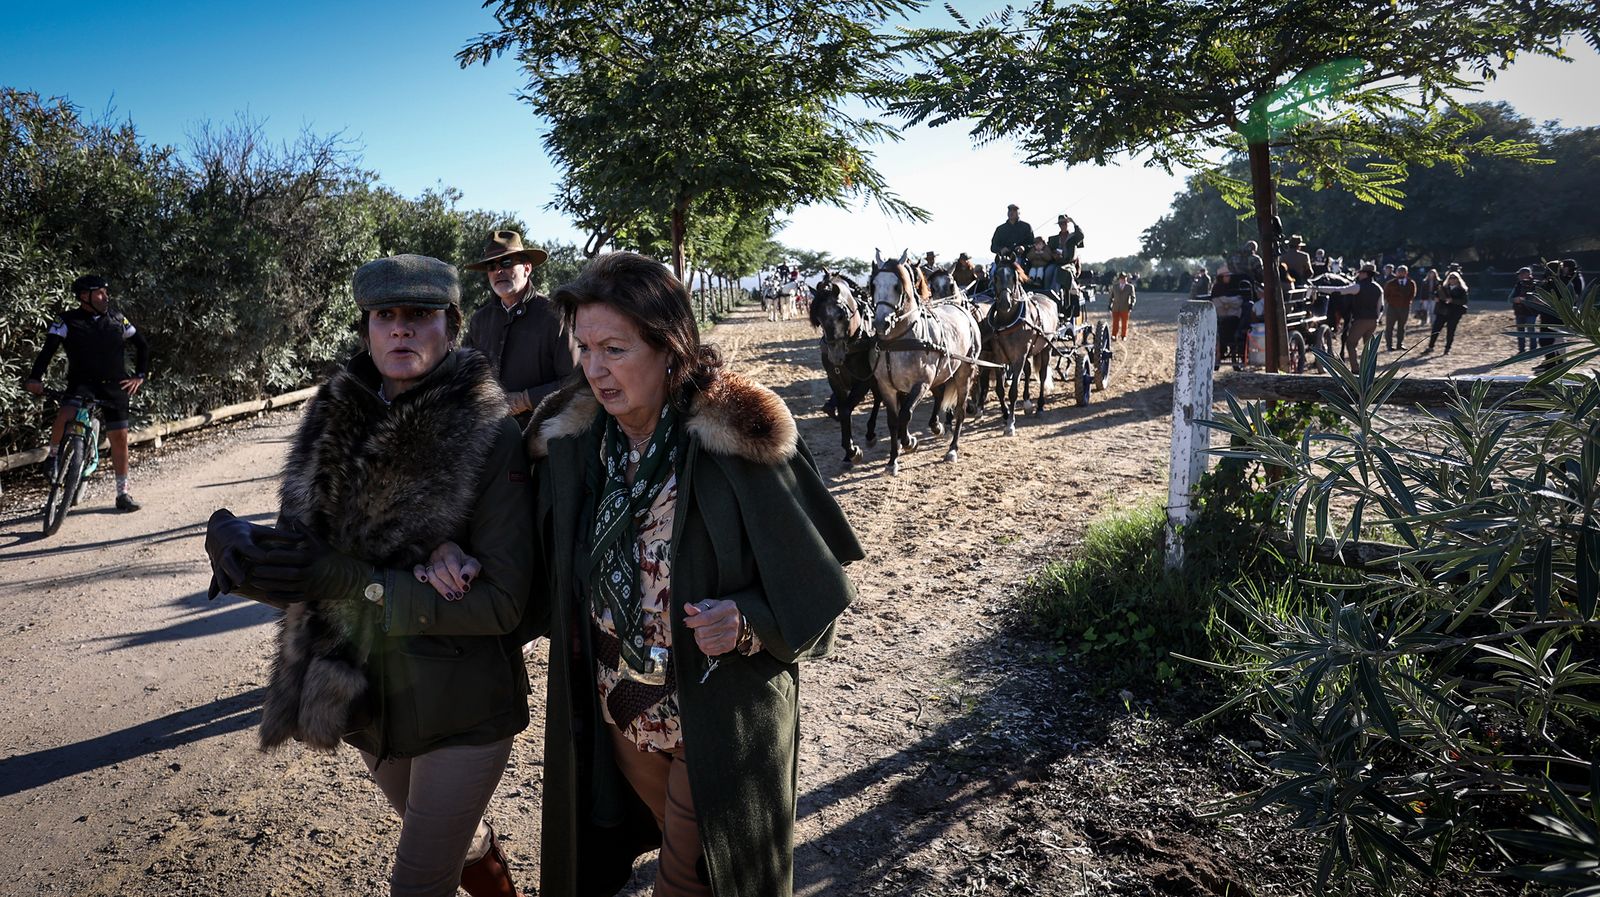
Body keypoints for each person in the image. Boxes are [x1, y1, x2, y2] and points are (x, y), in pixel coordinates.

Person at [521, 250, 862, 897]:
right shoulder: (579, 447)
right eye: (585, 347)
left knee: (685, 883)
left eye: (615, 348)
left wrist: (747, 621)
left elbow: (818, 589)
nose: (595, 368)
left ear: (669, 347)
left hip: (713, 721)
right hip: (620, 721)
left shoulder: (735, 440)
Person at [203, 254, 538, 897]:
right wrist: (243, 558)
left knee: (417, 880)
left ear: (452, 326)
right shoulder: (332, 418)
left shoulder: (489, 434)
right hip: (361, 697)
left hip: (460, 704)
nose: (401, 330)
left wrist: (359, 581)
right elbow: (310, 560)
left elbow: (501, 604)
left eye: (420, 315)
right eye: (386, 315)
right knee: (452, 838)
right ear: (366, 328)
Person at [24, 274, 151, 511]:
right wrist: (35, 378)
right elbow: (47, 351)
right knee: (66, 413)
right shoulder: (66, 321)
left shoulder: (117, 318)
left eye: (105, 292)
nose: (105, 297)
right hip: (81, 383)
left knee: (120, 437)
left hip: (115, 385)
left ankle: (122, 493)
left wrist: (139, 376)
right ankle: (52, 458)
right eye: (100, 292)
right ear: (85, 296)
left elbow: (142, 345)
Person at [461, 230, 578, 424]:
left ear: (527, 268)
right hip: (489, 434)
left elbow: (574, 383)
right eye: (491, 266)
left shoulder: (555, 316)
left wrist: (525, 400)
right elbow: (466, 373)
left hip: (541, 436)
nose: (498, 271)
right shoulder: (480, 320)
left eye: (506, 263)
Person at [1323, 262, 1383, 368]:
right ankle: (1369, 368)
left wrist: (1318, 288)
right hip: (1373, 321)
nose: (1358, 275)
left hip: (1360, 320)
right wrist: (1377, 319)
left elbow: (1339, 290)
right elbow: (1380, 307)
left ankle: (1355, 369)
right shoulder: (1378, 288)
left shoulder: (1358, 287)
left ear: (1365, 274)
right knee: (1368, 347)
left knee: (1350, 343)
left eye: (1360, 273)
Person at [1209, 266, 1247, 369]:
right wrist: (1237, 300)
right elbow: (1230, 301)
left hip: (1226, 313)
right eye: (1226, 276)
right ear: (1222, 277)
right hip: (1224, 315)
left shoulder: (1225, 287)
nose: (1229, 278)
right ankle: (1238, 333)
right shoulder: (1218, 288)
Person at [1424, 269, 1469, 355]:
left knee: (1450, 331)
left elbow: (1464, 301)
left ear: (1458, 279)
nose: (1452, 279)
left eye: (1454, 278)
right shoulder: (1443, 288)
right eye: (1451, 278)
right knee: (1435, 329)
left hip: (1455, 313)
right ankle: (1430, 347)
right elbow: (1436, 294)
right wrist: (1436, 298)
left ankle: (1447, 349)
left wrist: (1453, 300)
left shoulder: (1462, 290)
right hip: (1442, 311)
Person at [1045, 214, 1085, 294]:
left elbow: (1081, 235)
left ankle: (1055, 293)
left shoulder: (1073, 237)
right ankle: (1046, 292)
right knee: (1048, 271)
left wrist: (1074, 222)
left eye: (1064, 223)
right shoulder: (1054, 239)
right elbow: (1048, 250)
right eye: (1061, 224)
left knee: (1059, 271)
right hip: (1056, 262)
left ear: (1068, 223)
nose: (1062, 225)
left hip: (1069, 264)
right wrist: (1054, 255)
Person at [1382, 264, 1417, 350]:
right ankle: (1389, 345)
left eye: (1403, 272)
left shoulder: (1411, 283)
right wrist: (1392, 301)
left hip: (1405, 308)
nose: (1401, 273)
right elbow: (1386, 295)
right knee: (1389, 327)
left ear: (1406, 273)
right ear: (1396, 273)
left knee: (1401, 327)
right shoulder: (1390, 283)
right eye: (1399, 272)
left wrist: (1406, 302)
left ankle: (1399, 344)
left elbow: (1412, 294)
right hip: (1392, 307)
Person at [1509, 266, 1539, 354]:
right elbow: (1510, 298)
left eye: (1522, 274)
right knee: (1520, 332)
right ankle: (1521, 350)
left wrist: (1526, 300)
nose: (1520, 276)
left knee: (1531, 332)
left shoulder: (1536, 285)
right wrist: (1516, 299)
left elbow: (1537, 299)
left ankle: (1533, 350)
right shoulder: (1518, 285)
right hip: (1519, 311)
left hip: (1531, 312)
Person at [1108, 272, 1136, 340]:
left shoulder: (1130, 287)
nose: (1123, 280)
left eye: (1124, 278)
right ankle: (1114, 335)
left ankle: (1124, 336)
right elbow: (1111, 296)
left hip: (1125, 307)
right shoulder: (1115, 287)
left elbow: (1133, 297)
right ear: (1119, 279)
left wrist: (1132, 304)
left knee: (1124, 323)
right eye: (1122, 278)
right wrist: (1109, 304)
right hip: (1115, 307)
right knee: (1115, 323)